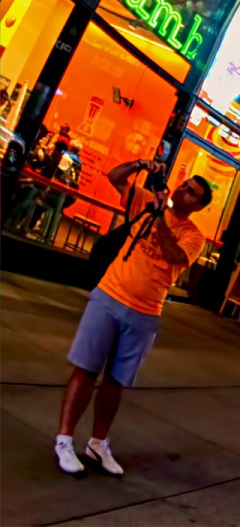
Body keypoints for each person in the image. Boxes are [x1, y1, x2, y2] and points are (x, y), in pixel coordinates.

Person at [55, 159, 213, 476]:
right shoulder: (146, 200)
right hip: (110, 295)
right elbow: (114, 177)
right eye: (185, 185)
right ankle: (64, 440)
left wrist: (158, 218)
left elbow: (173, 256)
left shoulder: (194, 237)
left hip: (145, 312)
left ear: (198, 205)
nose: (184, 190)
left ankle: (98, 444)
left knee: (116, 381)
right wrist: (140, 165)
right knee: (85, 369)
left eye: (191, 192)